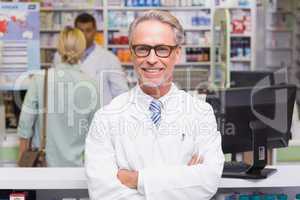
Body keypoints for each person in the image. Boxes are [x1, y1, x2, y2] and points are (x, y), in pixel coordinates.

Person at [85, 10, 224, 200]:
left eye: (162, 49)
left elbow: (208, 180)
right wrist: (184, 181)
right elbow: (103, 193)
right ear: (132, 53)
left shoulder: (201, 112)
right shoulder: (106, 117)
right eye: (143, 48)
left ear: (177, 53)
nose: (151, 59)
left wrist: (137, 179)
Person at [18, 27, 99, 167]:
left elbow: (25, 125)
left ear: (59, 48)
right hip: (78, 169)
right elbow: (96, 132)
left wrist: (22, 162)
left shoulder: (40, 79)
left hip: (44, 165)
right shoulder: (92, 85)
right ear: (82, 48)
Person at [53, 13, 129, 106]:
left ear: (95, 31)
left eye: (88, 30)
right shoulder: (60, 56)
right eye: (81, 31)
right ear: (75, 32)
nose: (84, 35)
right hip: (69, 114)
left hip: (100, 116)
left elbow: (121, 92)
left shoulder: (109, 58)